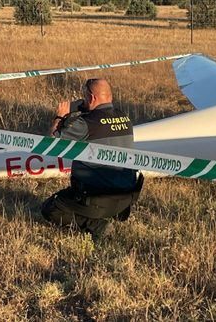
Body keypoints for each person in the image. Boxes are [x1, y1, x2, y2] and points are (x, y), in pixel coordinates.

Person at [41, 78, 143, 238]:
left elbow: (51, 143)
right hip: (127, 196)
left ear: (91, 98)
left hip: (98, 198)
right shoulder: (125, 118)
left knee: (51, 209)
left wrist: (60, 118)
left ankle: (97, 225)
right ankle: (113, 212)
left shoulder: (86, 123)